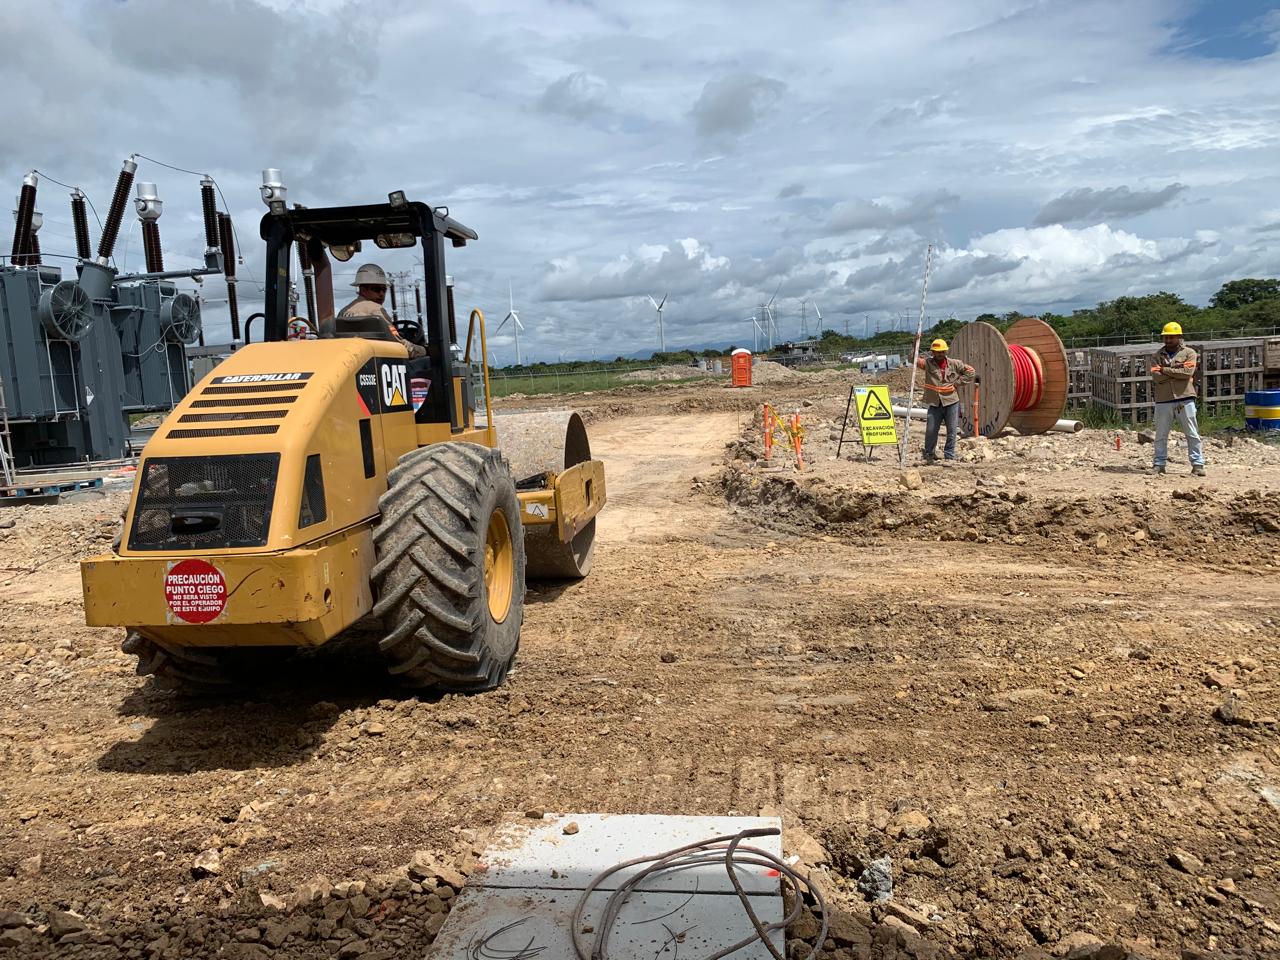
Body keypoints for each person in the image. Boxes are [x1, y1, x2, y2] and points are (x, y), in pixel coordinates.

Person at [337, 263, 426, 359]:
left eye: (384, 290)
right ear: (363, 290)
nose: (381, 294)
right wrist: (424, 350)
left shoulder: (343, 312)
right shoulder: (376, 310)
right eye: (376, 289)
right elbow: (399, 345)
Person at [1150, 322, 1205, 476]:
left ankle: (1198, 464)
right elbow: (1156, 377)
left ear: (1179, 337)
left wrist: (1165, 370)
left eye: (1171, 337)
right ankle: (1159, 464)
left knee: (1192, 433)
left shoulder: (1189, 353)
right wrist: (1175, 372)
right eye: (1166, 337)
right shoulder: (1156, 356)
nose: (1168, 340)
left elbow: (1187, 373)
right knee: (1161, 434)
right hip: (1163, 399)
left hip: (1185, 397)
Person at [917, 338, 975, 463]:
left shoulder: (954, 364)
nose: (940, 354)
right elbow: (913, 359)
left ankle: (949, 455)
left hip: (951, 401)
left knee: (952, 429)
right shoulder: (927, 364)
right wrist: (915, 343)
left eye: (942, 351)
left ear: (945, 352)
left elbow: (970, 372)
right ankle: (929, 454)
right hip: (934, 402)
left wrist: (957, 383)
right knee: (931, 430)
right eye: (938, 352)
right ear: (933, 352)